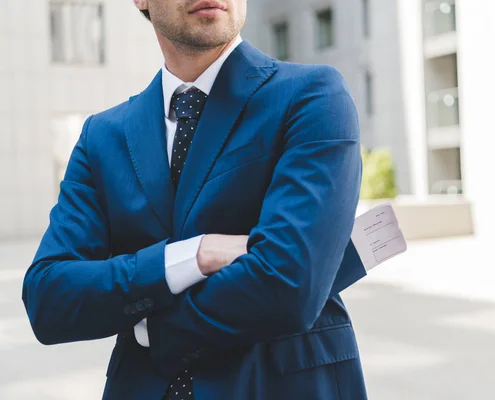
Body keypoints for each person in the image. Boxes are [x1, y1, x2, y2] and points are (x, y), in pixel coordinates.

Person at [22, 0, 370, 398]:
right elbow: (49, 299)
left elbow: (289, 287)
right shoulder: (102, 136)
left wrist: (151, 326)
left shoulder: (312, 97)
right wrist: (193, 255)